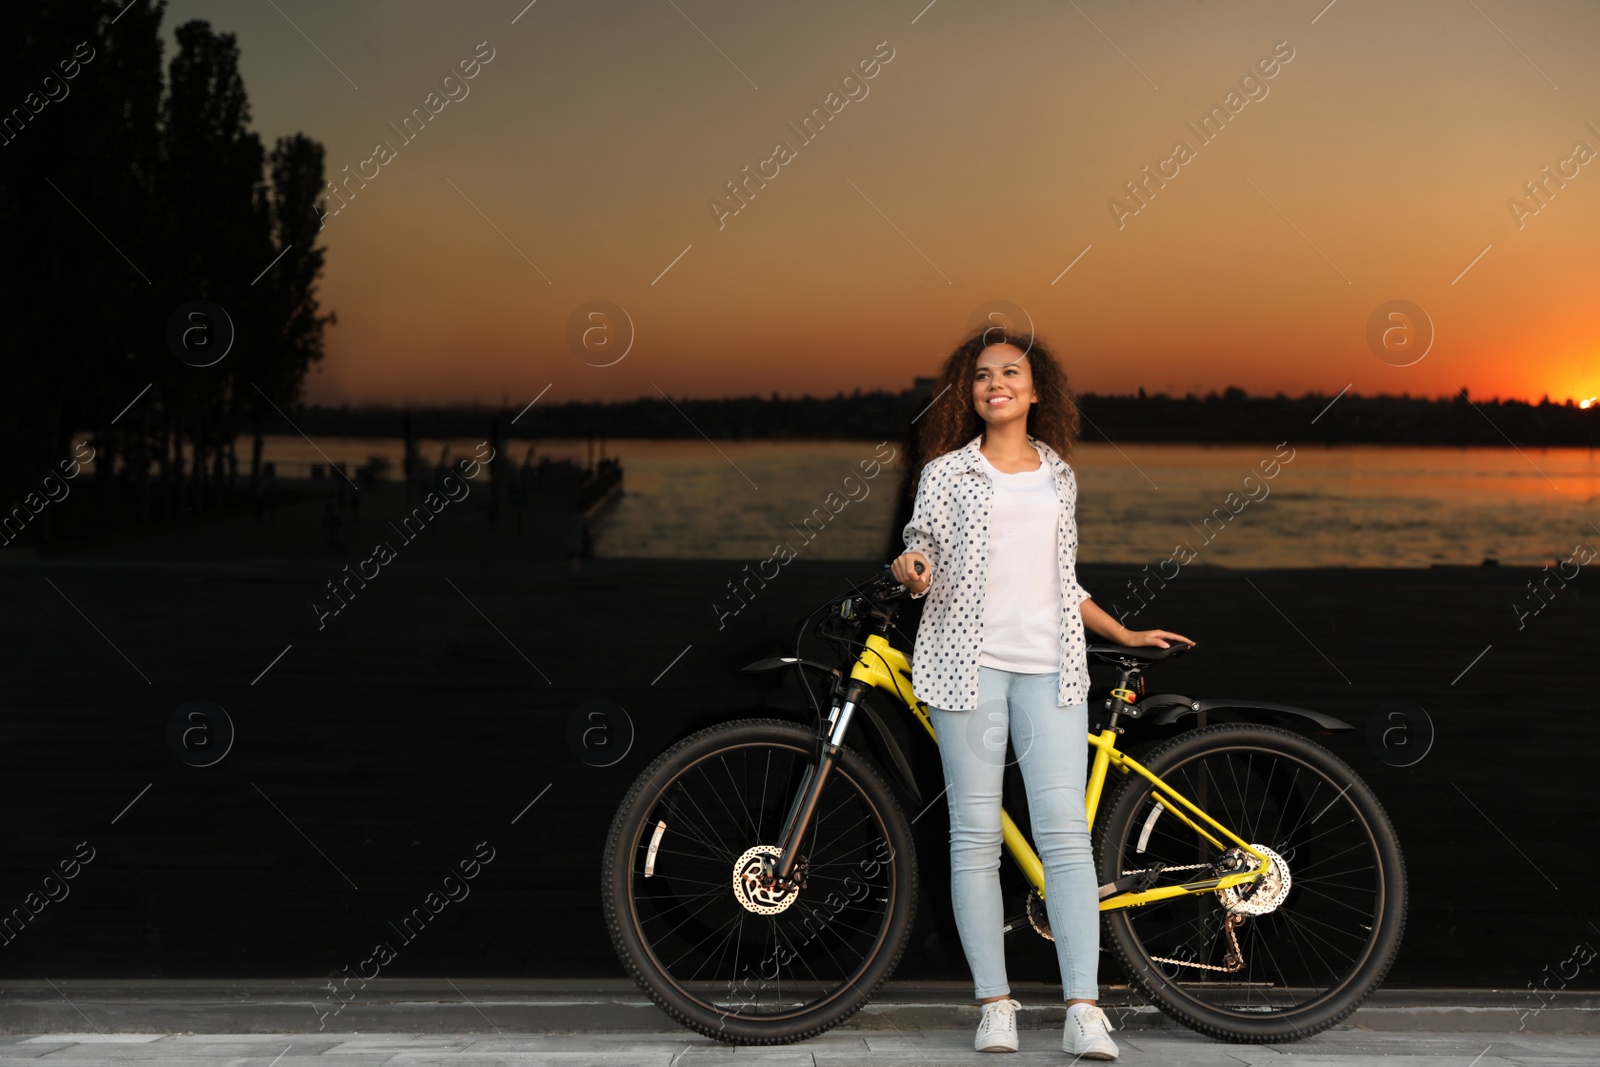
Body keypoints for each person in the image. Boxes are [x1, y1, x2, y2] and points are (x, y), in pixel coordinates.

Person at [891, 329, 1193, 1060]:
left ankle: (1083, 1009)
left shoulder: (1059, 475)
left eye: (1010, 373)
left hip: (1050, 669)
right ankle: (994, 1004)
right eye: (982, 375)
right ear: (971, 395)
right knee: (975, 836)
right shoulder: (946, 472)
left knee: (1063, 835)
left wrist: (1120, 629)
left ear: (1034, 392)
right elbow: (919, 543)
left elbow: (1064, 579)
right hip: (968, 668)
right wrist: (913, 567)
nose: (995, 383)